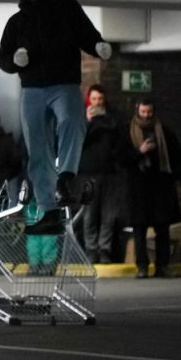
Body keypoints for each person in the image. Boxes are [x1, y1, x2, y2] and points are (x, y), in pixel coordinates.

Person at [0, 0, 112, 234]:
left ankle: (66, 177)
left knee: (73, 121)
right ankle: (48, 209)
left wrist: (97, 46)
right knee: (38, 148)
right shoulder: (17, 22)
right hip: (32, 90)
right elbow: (3, 59)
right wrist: (14, 61)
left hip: (64, 83)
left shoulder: (68, 8)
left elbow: (86, 34)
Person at [126, 100, 181, 278]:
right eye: (143, 111)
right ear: (137, 111)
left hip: (160, 187)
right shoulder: (127, 131)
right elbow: (120, 158)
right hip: (138, 187)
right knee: (139, 229)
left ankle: (162, 265)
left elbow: (175, 157)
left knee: (162, 228)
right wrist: (139, 151)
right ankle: (142, 265)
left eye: (149, 112)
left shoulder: (165, 132)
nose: (146, 115)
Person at [78, 95, 128, 264]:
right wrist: (88, 122)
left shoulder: (113, 121)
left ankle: (104, 249)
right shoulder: (82, 120)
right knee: (89, 215)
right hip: (88, 173)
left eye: (100, 99)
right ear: (88, 102)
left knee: (109, 215)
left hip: (109, 173)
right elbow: (77, 142)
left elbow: (121, 143)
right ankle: (91, 250)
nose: (97, 102)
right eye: (94, 99)